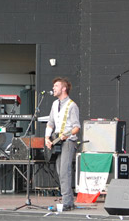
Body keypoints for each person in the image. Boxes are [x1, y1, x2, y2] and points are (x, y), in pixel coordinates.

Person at [45, 77, 80, 211]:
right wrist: (47, 138)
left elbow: (76, 127)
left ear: (63, 89)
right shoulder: (55, 104)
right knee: (60, 170)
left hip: (69, 141)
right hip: (57, 140)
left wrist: (68, 134)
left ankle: (67, 202)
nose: (54, 88)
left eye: (56, 86)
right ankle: (69, 201)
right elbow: (50, 123)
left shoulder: (72, 105)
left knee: (65, 170)